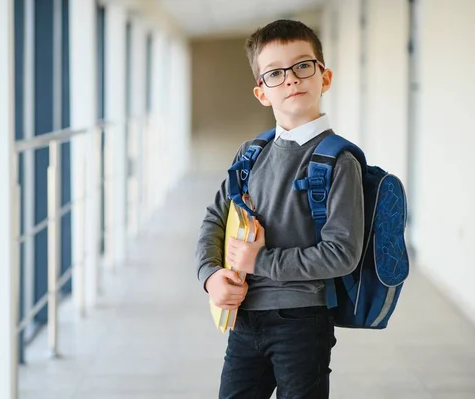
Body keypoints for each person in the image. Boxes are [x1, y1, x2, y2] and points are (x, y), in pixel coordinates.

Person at [195, 19, 365, 399]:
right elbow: (215, 219)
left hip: (302, 322)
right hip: (244, 319)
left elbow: (342, 254)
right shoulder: (251, 154)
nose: (291, 79)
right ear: (261, 93)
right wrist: (210, 276)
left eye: (303, 65)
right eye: (275, 73)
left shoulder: (338, 162)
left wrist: (261, 262)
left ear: (325, 77)